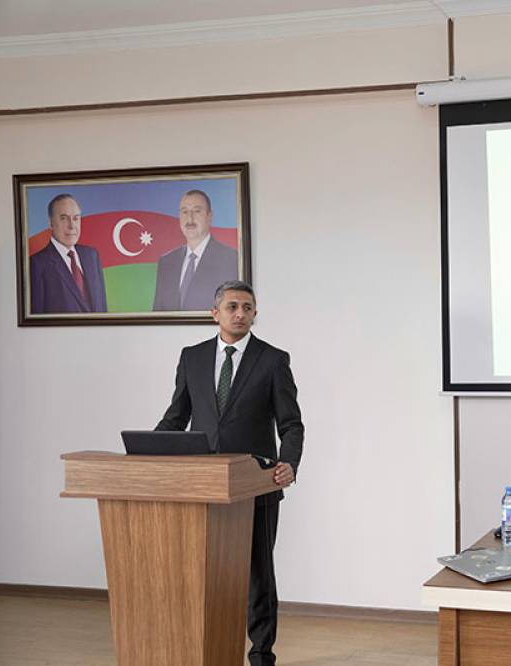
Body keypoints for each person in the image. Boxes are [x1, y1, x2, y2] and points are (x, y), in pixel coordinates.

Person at [156, 280, 303, 666]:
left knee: (258, 575)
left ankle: (260, 656)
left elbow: (291, 424)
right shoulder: (192, 357)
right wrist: (148, 452)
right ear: (215, 313)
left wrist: (289, 462)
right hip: (201, 486)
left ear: (255, 314)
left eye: (248, 308)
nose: (241, 313)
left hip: (257, 485)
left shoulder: (273, 360)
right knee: (204, 574)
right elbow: (176, 417)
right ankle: (205, 648)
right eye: (233, 306)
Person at [153, 189, 238, 311]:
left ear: (209, 216)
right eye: (185, 212)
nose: (190, 219)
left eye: (197, 211)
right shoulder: (166, 262)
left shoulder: (230, 258)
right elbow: (158, 313)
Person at [29, 193, 107, 314]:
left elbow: (102, 308)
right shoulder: (36, 264)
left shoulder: (92, 255)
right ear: (50, 223)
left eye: (76, 218)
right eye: (64, 218)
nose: (71, 226)